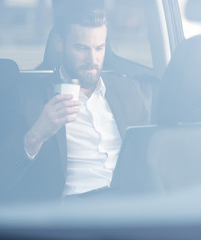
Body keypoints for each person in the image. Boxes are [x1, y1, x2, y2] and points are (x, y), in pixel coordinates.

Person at [9, 2, 149, 201]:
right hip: (74, 213)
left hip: (129, 206)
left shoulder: (127, 90)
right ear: (60, 43)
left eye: (99, 48)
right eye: (81, 48)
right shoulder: (29, 98)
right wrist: (37, 134)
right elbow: (0, 177)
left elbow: (150, 154)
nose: (92, 59)